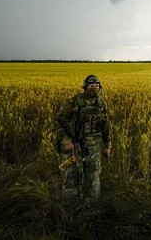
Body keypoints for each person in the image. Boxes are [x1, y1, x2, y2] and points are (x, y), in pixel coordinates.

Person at [52, 75, 111, 204]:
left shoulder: (101, 104)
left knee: (93, 177)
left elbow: (106, 126)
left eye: (97, 85)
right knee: (71, 177)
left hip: (93, 147)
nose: (94, 87)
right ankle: (69, 207)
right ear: (85, 86)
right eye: (91, 84)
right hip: (73, 147)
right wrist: (66, 141)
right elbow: (57, 122)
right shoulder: (73, 102)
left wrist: (107, 145)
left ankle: (91, 206)